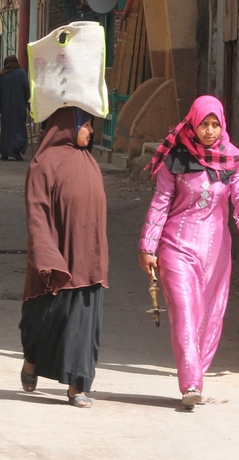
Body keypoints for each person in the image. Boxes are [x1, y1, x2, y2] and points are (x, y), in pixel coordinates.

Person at [138, 95, 239, 409]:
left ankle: (197, 376)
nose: (209, 131)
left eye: (215, 124)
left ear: (222, 125)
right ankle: (190, 383)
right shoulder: (176, 157)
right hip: (176, 247)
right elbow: (160, 203)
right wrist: (148, 246)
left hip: (216, 251)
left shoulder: (232, 159)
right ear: (194, 122)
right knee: (184, 312)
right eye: (204, 124)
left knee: (210, 317)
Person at [19, 106, 109, 408]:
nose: (92, 131)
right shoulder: (43, 164)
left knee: (83, 323)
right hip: (56, 258)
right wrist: (46, 255)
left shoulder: (87, 161)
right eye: (87, 125)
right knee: (43, 318)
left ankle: (77, 385)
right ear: (69, 126)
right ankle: (31, 359)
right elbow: (37, 212)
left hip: (88, 259)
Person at [0, 55, 30, 161]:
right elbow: (27, 89)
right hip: (19, 106)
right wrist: (29, 104)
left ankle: (5, 151)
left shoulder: (2, 74)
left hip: (5, 107)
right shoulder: (21, 73)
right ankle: (16, 150)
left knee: (6, 128)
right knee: (19, 127)